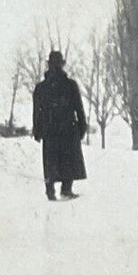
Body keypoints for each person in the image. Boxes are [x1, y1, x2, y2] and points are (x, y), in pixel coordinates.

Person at [31, 49, 88, 201]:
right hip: (68, 128)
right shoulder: (70, 85)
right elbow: (79, 108)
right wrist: (82, 126)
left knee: (51, 160)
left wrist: (37, 130)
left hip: (50, 129)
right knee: (68, 158)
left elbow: (37, 111)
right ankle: (66, 189)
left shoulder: (41, 87)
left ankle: (51, 190)